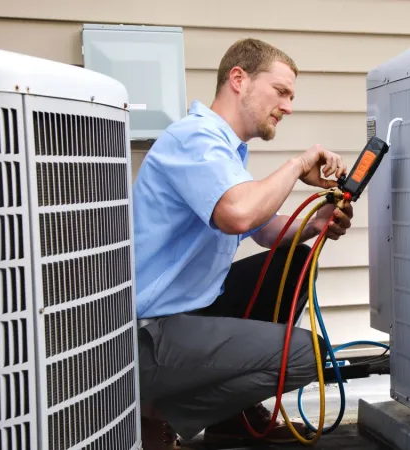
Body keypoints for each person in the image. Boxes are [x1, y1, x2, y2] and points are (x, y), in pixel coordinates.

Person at [131, 38, 353, 449]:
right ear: (239, 79)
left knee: (295, 260)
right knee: (308, 355)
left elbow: (263, 230)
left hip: (192, 311)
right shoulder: (194, 138)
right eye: (281, 92)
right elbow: (238, 214)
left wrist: (316, 223)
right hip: (149, 335)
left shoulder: (228, 150)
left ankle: (229, 417)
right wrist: (297, 164)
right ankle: (157, 416)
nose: (288, 106)